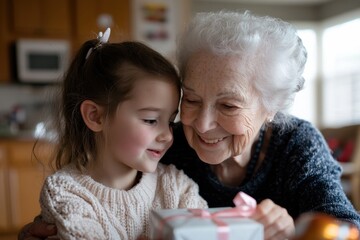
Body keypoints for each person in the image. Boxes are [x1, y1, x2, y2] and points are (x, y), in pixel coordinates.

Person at [19, 11, 360, 240]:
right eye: (192, 99)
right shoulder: (167, 147)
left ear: (270, 107)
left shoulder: (296, 145)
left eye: (228, 104)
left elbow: (346, 229)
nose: (201, 123)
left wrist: (296, 230)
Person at [22, 28, 208, 240]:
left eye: (170, 121)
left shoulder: (176, 186)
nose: (167, 135)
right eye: (150, 120)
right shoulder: (64, 192)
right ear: (95, 117)